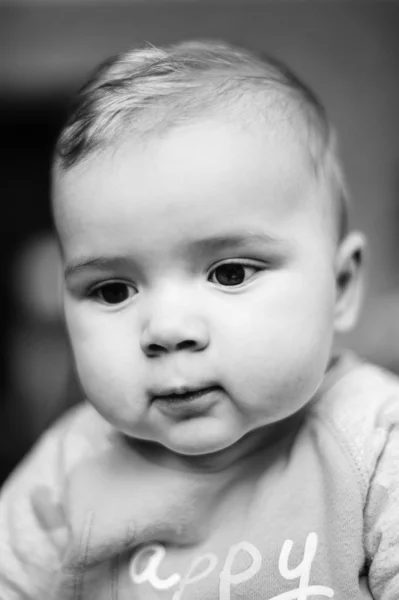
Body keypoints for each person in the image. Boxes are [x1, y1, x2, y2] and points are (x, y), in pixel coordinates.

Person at [0, 39, 398, 600]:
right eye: (113, 289)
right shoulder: (67, 472)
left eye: (230, 273)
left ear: (341, 286)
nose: (166, 330)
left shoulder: (376, 440)